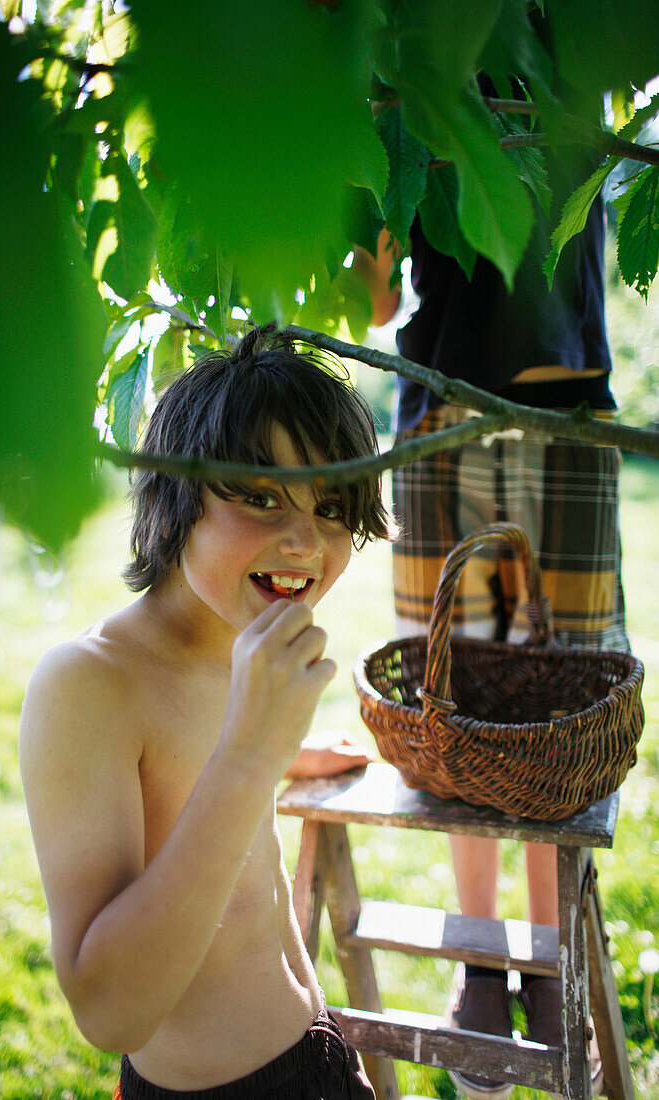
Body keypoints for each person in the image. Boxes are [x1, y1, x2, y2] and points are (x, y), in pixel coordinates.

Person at [19, 326, 393, 1100]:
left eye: (330, 507)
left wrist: (283, 752)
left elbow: (181, 777)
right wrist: (251, 755)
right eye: (259, 497)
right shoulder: (87, 685)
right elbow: (108, 1010)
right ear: (175, 499)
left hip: (319, 1049)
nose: (303, 540)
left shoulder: (235, 641)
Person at [357, 142, 625, 1099]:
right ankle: (480, 967)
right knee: (450, 701)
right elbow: (376, 306)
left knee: (568, 704)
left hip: (571, 415)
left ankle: (551, 966)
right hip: (441, 418)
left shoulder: (573, 55)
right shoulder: (403, 74)